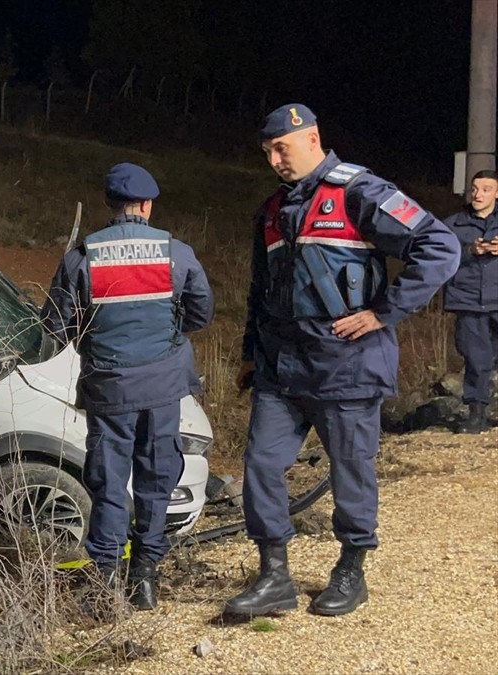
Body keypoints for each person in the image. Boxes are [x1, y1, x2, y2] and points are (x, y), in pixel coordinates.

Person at [228, 104, 459, 617]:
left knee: (352, 470)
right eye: (267, 151)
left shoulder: (359, 192)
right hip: (281, 370)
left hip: (346, 364)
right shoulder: (271, 211)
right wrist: (248, 355)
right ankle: (274, 577)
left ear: (312, 138)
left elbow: (439, 246)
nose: (274, 160)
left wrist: (385, 313)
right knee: (262, 466)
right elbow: (259, 292)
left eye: (281, 148)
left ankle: (351, 571)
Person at [41, 163, 214, 615]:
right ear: (148, 205)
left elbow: (55, 328)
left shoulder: (83, 256)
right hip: (162, 388)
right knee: (157, 481)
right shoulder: (176, 254)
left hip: (110, 391)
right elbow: (200, 314)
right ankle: (146, 579)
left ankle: (104, 582)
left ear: (110, 205)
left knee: (110, 484)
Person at [442, 169, 498, 433]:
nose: (478, 194)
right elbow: (439, 256)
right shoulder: (453, 224)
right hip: (468, 300)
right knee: (477, 359)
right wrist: (469, 251)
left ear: (497, 193)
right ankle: (477, 416)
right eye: (474, 189)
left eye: (486, 189)